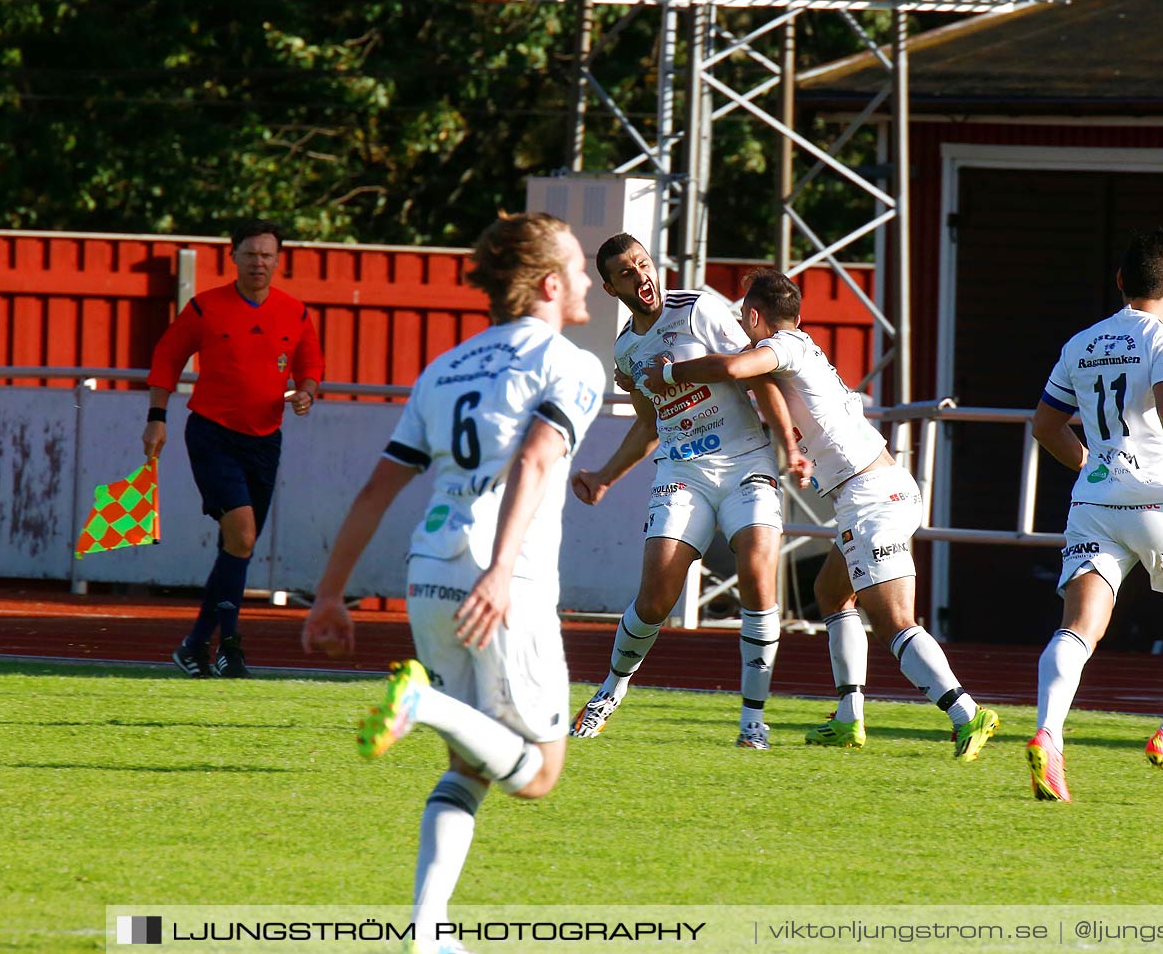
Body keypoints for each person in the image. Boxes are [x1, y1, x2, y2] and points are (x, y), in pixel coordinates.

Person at [301, 212, 604, 954]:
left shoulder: (447, 367)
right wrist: (502, 570)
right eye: (579, 268)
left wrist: (330, 595)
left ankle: (428, 933)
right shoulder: (570, 363)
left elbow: (377, 489)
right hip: (505, 579)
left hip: (429, 568)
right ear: (550, 284)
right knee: (536, 776)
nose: (591, 280)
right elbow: (535, 461)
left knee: (468, 767)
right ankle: (425, 701)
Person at [643, 268, 999, 760]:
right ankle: (849, 719)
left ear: (753, 315)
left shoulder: (784, 346)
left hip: (873, 496)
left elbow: (730, 370)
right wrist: (795, 449)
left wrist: (665, 373)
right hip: (869, 491)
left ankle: (967, 712)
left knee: (894, 620)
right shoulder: (799, 346)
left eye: (743, 317)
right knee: (831, 592)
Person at [1025, 228, 1163, 803]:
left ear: (1119, 282)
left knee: (1078, 627)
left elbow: (1046, 425)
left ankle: (1049, 732)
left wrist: (1090, 464)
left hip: (1094, 503)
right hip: (1158, 499)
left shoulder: (1081, 344)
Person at [568, 235, 806, 750]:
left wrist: (788, 445)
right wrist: (605, 475)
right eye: (627, 273)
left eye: (644, 263)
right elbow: (650, 426)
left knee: (759, 576)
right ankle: (610, 691)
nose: (642, 276)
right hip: (682, 470)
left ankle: (753, 721)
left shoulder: (698, 307)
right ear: (611, 288)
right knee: (655, 598)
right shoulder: (627, 351)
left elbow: (757, 368)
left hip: (746, 460)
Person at [144, 218, 323, 679]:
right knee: (241, 536)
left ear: (278, 260)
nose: (258, 263)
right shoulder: (206, 308)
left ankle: (196, 644)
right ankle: (232, 647)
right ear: (233, 257)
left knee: (238, 547)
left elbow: (310, 360)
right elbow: (167, 356)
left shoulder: (295, 312)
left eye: (267, 255)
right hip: (212, 434)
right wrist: (157, 417)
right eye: (250, 254)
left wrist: (306, 390)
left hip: (265, 439)